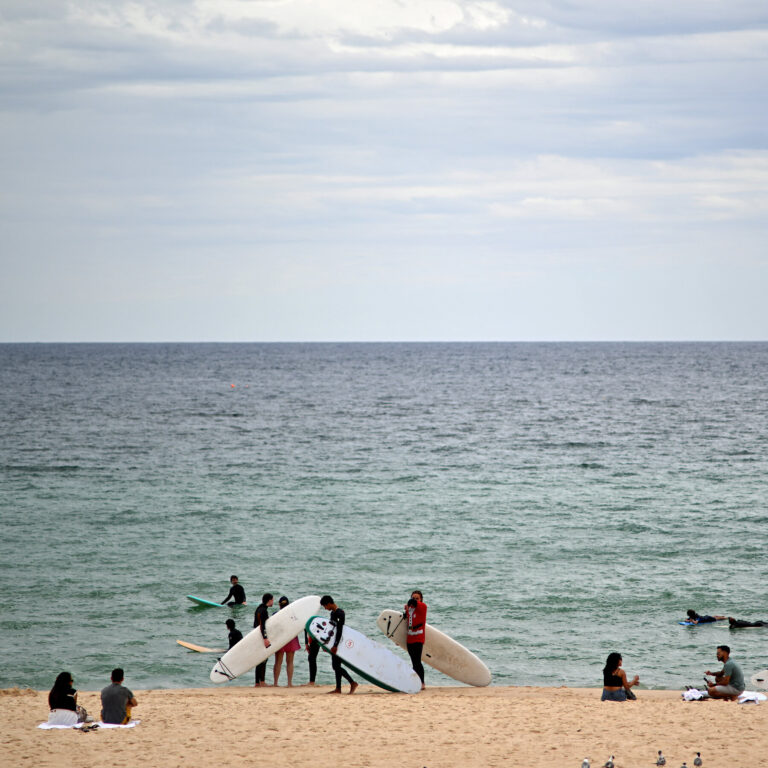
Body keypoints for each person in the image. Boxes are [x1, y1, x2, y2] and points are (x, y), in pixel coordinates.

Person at [320, 595, 358, 695]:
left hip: (339, 643)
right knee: (336, 665)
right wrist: (326, 645)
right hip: (333, 642)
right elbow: (331, 630)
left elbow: (340, 630)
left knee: (336, 666)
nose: (325, 608)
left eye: (325, 606)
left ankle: (352, 683)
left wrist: (336, 645)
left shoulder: (340, 613)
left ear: (329, 603)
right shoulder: (333, 613)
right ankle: (338, 688)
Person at [273, 596, 301, 686]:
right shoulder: (292, 615)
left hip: (280, 639)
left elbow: (273, 628)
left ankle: (275, 683)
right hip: (291, 638)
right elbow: (297, 625)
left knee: (278, 662)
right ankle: (289, 683)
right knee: (290, 662)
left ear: (279, 605)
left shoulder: (275, 614)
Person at [404, 590, 427, 690]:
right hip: (409, 639)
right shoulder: (409, 609)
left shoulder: (423, 607)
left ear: (421, 599)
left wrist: (412, 601)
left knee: (417, 662)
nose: (415, 600)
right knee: (413, 662)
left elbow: (413, 603)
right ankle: (415, 682)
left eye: (417, 598)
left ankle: (422, 682)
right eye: (413, 597)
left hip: (418, 638)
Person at [253, 593, 274, 687]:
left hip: (256, 636)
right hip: (261, 637)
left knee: (259, 659)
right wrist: (265, 638)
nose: (273, 602)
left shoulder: (258, 609)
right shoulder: (264, 611)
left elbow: (255, 625)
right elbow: (262, 626)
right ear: (269, 600)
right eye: (272, 600)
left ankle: (257, 683)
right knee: (263, 659)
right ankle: (262, 682)